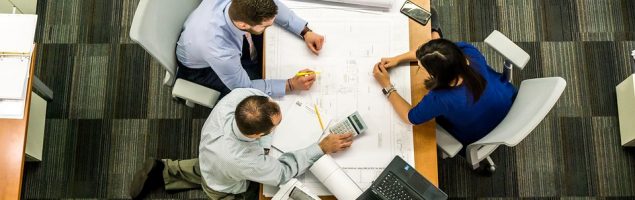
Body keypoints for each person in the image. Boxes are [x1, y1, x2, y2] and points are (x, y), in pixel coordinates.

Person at [129, 88, 354, 199]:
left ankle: (164, 170)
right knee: (222, 184)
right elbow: (282, 172)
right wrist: (321, 147)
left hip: (212, 155)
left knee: (208, 167)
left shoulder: (241, 97)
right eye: (276, 125)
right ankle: (166, 173)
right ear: (257, 135)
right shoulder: (244, 160)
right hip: (223, 184)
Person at [371, 10, 516, 164]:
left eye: (421, 66)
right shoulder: (469, 53)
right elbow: (441, 52)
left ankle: (434, 31)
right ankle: (435, 31)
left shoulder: (440, 98)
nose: (419, 65)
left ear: (437, 75)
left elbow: (409, 117)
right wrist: (397, 59)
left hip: (479, 133)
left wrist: (387, 85)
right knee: (434, 29)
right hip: (507, 100)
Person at [176, 0, 325, 98]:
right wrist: (290, 85)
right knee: (254, 83)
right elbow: (244, 87)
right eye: (266, 25)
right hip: (201, 69)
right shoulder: (220, 50)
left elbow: (272, 5)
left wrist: (304, 31)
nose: (271, 26)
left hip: (206, 35)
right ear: (243, 25)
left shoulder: (242, 9)